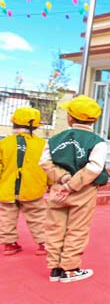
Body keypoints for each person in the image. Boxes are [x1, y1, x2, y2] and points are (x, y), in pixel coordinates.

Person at [40, 95, 108, 283]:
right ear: (94, 120)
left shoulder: (54, 140)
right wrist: (72, 185)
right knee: (77, 229)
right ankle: (69, 269)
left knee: (54, 227)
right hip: (84, 190)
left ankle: (54, 268)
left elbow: (44, 162)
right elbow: (94, 167)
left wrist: (63, 178)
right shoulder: (97, 142)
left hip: (58, 188)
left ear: (70, 117)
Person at [0, 107, 48, 256]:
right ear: (35, 126)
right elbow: (48, 165)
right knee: (38, 217)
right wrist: (51, 183)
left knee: (6, 217)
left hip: (7, 189)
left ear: (13, 123)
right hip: (33, 188)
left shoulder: (4, 143)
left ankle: (9, 244)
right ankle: (44, 243)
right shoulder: (42, 144)